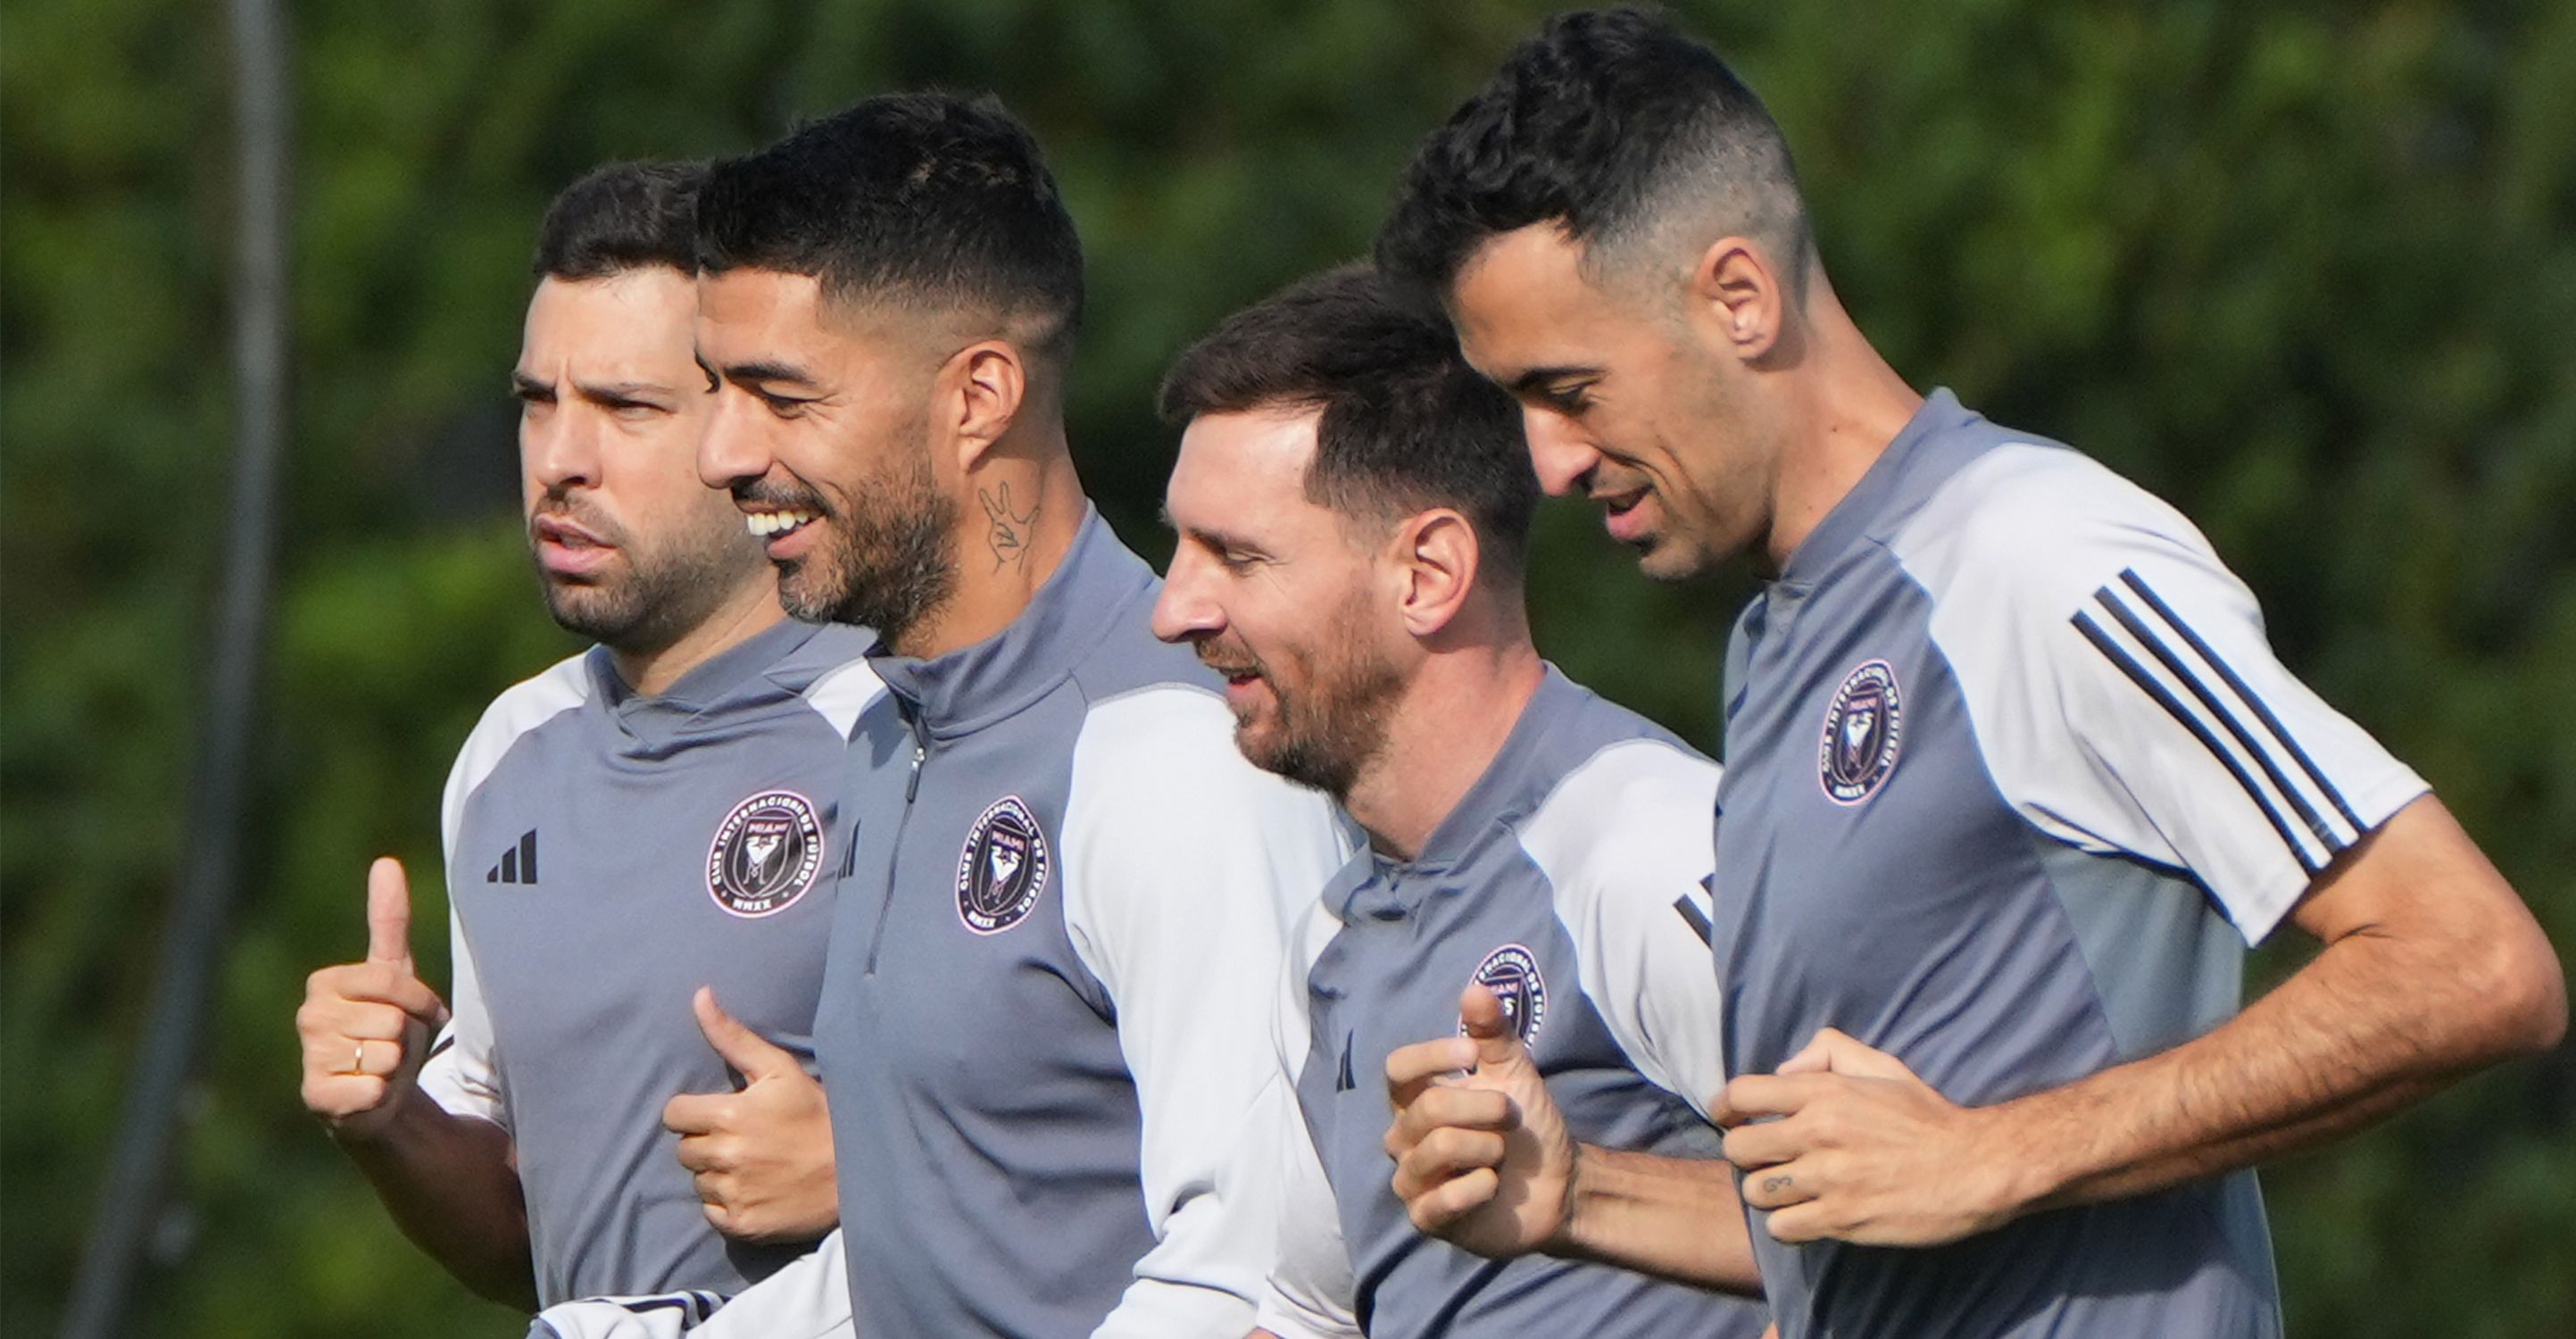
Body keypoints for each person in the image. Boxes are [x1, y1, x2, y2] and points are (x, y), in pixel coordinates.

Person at [1369, 8, 2569, 1337]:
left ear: (1739, 298)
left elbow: (2470, 963)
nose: (1545, 463)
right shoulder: (1781, 643)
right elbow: (1869, 1218)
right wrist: (1583, 1192)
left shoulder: (2029, 555)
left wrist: (1999, 1153)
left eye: (1570, 390)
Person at [536, 92, 1356, 1339]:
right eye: (715, 389)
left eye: (781, 395)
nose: (725, 454)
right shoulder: (887, 734)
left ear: (977, 397)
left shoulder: (1178, 756)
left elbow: (1267, 1284)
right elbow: (951, 1239)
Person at [294, 162, 876, 1312]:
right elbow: (529, 1233)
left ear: (750, 424)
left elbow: (1117, 1155)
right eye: (536, 402)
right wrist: (390, 1123)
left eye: (625, 407)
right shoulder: (514, 751)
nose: (560, 459)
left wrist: (874, 1169)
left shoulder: (902, 724)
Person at [1150, 263, 1769, 1339]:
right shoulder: (1337, 931)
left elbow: (1897, 1231)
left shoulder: (1643, 846)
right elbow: (1308, 1316)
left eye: (1235, 557)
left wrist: (1592, 1194)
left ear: (1429, 573)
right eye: (1179, 547)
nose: (1173, 609)